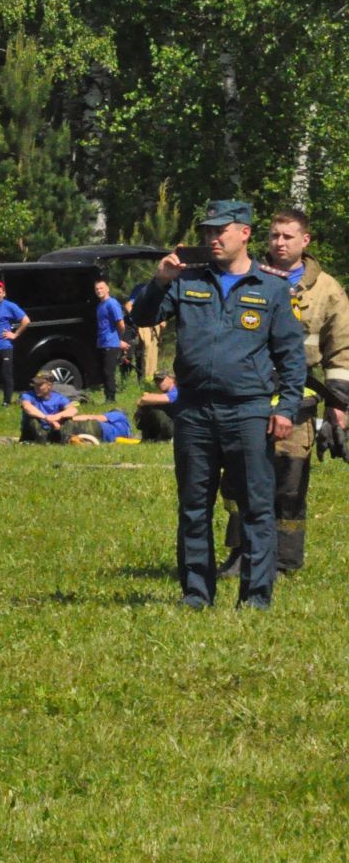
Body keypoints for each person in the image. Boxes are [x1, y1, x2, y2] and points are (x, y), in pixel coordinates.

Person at [130, 200, 305, 610]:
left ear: (244, 232)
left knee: (256, 508)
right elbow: (141, 318)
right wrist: (159, 281)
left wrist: (286, 408)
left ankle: (256, 597)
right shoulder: (188, 281)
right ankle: (196, 592)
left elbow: (291, 359)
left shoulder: (272, 288)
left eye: (220, 231)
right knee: (194, 505)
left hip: (248, 411)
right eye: (207, 231)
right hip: (193, 410)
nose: (212, 238)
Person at [217, 208, 349, 573]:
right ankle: (242, 552)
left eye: (288, 236)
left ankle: (284, 560)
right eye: (274, 235)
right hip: (248, 397)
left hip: (299, 402)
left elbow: (341, 351)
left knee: (288, 485)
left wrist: (339, 407)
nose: (279, 243)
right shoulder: (248, 277)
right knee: (239, 480)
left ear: (305, 241)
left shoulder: (327, 290)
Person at [0, 280, 30, 404]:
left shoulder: (10, 306)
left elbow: (26, 320)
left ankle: (6, 402)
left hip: (5, 345)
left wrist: (15, 334)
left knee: (6, 374)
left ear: (4, 293)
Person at [19, 370, 78, 443]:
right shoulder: (28, 395)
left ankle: (63, 441)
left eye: (40, 385)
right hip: (32, 433)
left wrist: (57, 416)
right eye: (35, 384)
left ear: (49, 385)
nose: (36, 387)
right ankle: (39, 441)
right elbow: (27, 407)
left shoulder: (59, 398)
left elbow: (73, 410)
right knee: (32, 418)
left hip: (53, 430)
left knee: (68, 418)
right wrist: (46, 418)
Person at [94, 278, 127, 402]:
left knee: (109, 372)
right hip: (101, 342)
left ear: (107, 289)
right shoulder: (100, 305)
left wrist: (119, 339)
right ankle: (107, 396)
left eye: (101, 288)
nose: (99, 291)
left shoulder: (112, 303)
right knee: (103, 372)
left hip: (111, 342)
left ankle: (111, 398)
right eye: (97, 289)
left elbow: (121, 323)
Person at [134, 371, 178, 442]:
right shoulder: (166, 393)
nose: (158, 383)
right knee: (148, 407)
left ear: (172, 379)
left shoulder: (177, 391)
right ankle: (149, 436)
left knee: (155, 410)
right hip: (172, 424)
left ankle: (168, 437)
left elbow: (144, 399)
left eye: (161, 380)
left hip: (178, 427)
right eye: (156, 381)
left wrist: (145, 399)